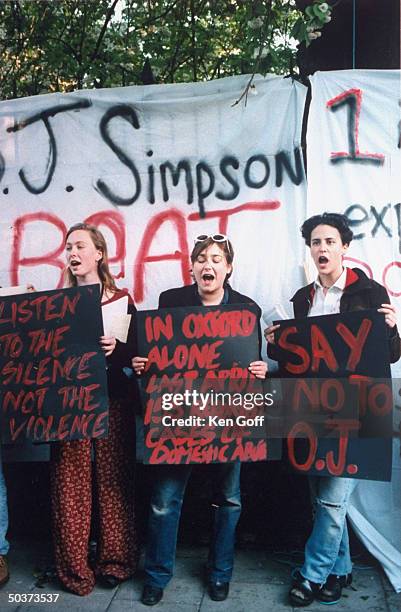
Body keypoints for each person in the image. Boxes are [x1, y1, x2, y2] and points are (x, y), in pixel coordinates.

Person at [265, 212, 400, 607]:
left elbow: (389, 356)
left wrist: (392, 330)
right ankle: (338, 572)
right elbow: (294, 360)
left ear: (345, 247)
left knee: (331, 500)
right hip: (311, 411)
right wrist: (276, 343)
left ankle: (310, 575)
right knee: (320, 494)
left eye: (329, 242)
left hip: (358, 410)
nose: (322, 249)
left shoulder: (371, 292)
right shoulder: (302, 298)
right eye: (315, 243)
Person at [133, 234, 268, 606]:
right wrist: (143, 363)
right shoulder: (171, 303)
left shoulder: (247, 309)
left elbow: (253, 362)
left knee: (229, 498)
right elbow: (154, 361)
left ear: (228, 267)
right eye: (201, 259)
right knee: (165, 499)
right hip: (179, 418)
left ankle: (220, 573)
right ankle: (157, 575)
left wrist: (261, 369)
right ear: (191, 266)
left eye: (216, 259)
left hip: (229, 419)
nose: (208, 265)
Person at [50, 223, 138, 595]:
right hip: (69, 407)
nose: (72, 252)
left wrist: (115, 349)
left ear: (99, 254)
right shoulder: (54, 304)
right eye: (68, 246)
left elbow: (137, 355)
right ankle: (74, 570)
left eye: (80, 246)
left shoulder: (121, 299)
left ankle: (115, 562)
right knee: (70, 486)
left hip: (111, 401)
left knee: (113, 480)